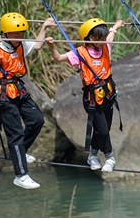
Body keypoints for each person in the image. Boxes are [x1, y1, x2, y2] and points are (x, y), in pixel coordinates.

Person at [46, 17, 125, 173]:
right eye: (99, 38)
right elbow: (58, 58)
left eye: (103, 38)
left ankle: (93, 155)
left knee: (103, 129)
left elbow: (110, 37)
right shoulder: (80, 53)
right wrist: (51, 46)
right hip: (92, 98)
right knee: (102, 129)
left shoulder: (105, 47)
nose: (103, 41)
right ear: (90, 38)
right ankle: (110, 157)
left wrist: (116, 26)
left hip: (108, 95)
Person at [0, 13, 50, 189]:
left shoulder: (21, 45)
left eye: (21, 33)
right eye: (15, 34)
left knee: (37, 119)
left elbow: (37, 45)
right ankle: (21, 175)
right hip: (4, 92)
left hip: (19, 89)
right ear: (5, 33)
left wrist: (44, 27)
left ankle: (21, 151)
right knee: (15, 134)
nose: (19, 37)